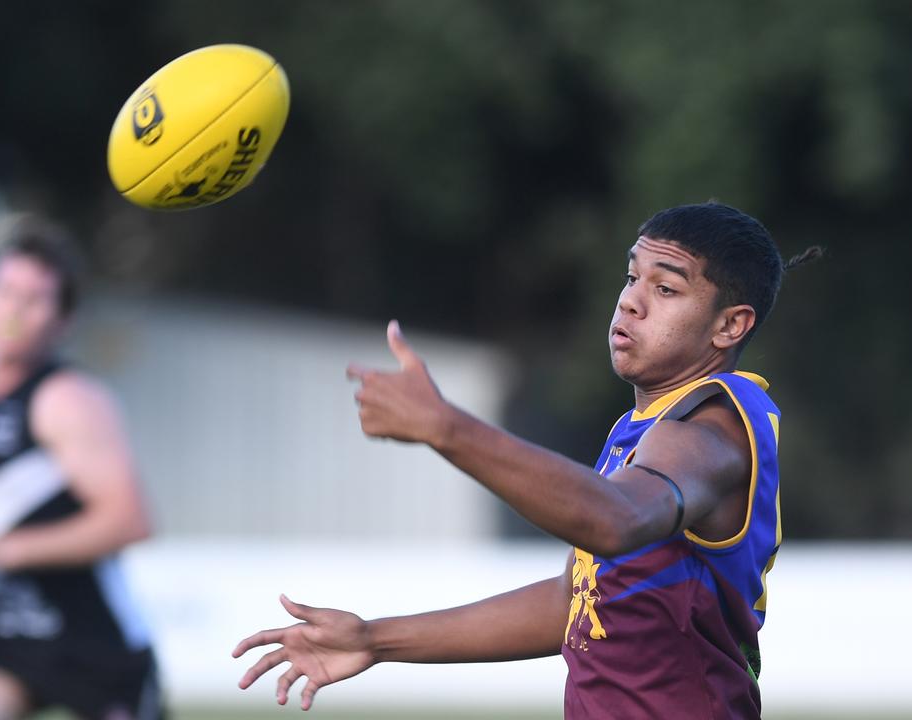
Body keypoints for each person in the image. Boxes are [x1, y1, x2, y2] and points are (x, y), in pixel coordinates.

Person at [234, 202, 820, 718]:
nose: (631, 302)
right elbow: (577, 603)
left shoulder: (711, 426)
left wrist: (449, 428)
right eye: (631, 276)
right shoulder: (640, 430)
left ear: (729, 325)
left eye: (665, 289)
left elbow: (617, 520)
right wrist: (376, 639)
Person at [0, 220, 163, 720]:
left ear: (62, 321)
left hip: (92, 642)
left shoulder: (66, 400)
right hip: (5, 634)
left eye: (34, 300)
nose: (14, 308)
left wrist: (4, 552)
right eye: (6, 290)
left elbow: (129, 521)